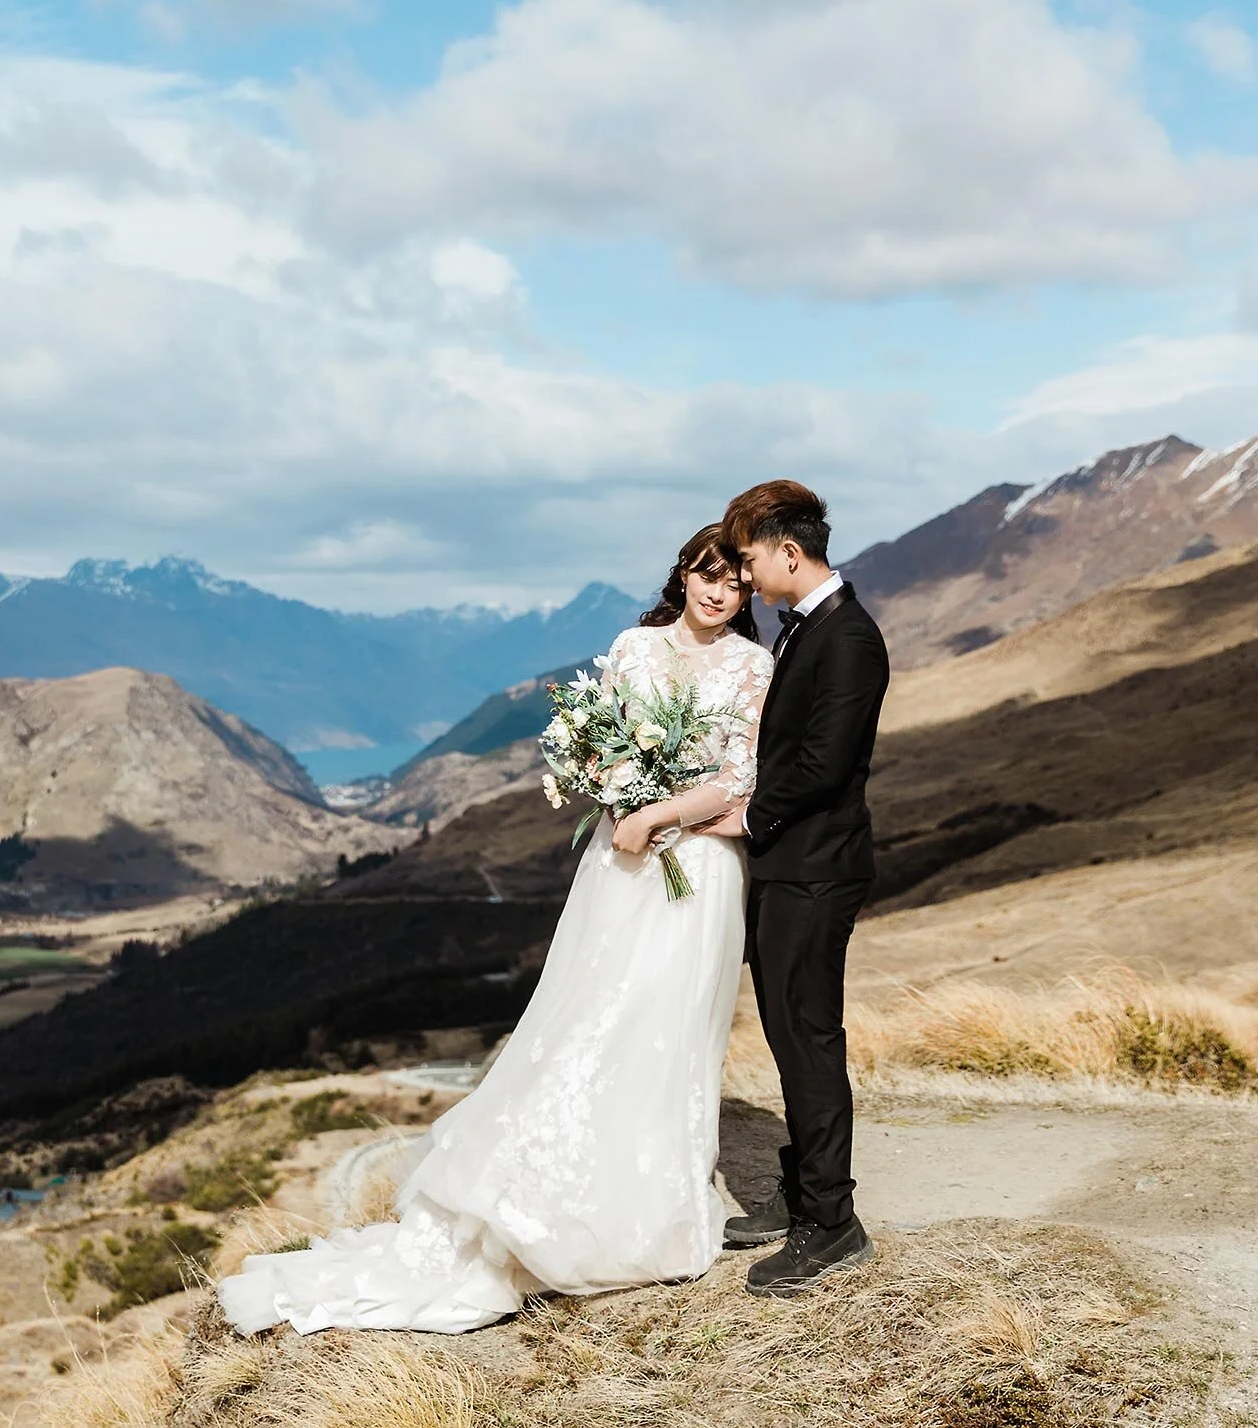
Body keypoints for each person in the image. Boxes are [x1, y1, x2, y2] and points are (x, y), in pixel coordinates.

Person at [216, 522, 772, 1335]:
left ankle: (651, 1193)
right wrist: (618, 789)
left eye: (734, 582)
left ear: (748, 592)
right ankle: (554, 1181)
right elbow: (599, 748)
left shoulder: (755, 666)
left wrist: (660, 808)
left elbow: (739, 773)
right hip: (621, 866)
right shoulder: (634, 647)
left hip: (702, 867)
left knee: (673, 1022)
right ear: (682, 574)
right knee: (595, 1012)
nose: (718, 592)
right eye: (706, 573)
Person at [700, 479, 891, 1296]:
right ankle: (798, 1188)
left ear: (789, 551)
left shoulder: (848, 637)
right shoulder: (802, 631)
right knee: (787, 1033)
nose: (744, 575)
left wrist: (743, 817)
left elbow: (823, 761)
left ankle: (831, 1222)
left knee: (809, 1038)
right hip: (790, 869)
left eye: (748, 558)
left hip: (814, 870)